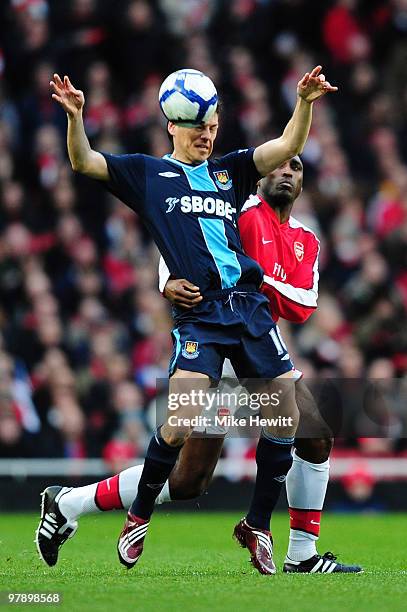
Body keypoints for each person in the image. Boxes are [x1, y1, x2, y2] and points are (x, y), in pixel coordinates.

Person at [36, 67, 337, 574]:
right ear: (172, 124)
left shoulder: (243, 182)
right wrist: (76, 117)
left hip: (251, 316)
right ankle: (113, 512)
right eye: (200, 128)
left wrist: (304, 102)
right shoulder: (150, 175)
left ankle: (271, 534)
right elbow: (84, 162)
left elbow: (286, 141)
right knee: (186, 463)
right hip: (204, 319)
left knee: (300, 420)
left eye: (214, 127)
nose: (209, 136)